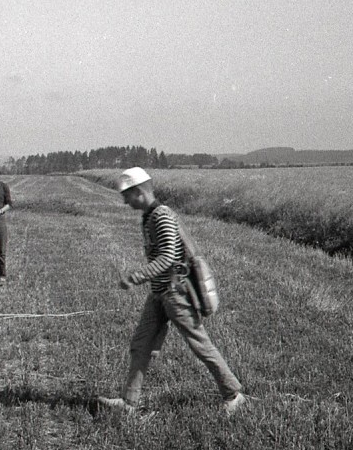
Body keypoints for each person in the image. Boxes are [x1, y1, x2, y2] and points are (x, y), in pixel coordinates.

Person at [98, 167, 246, 416]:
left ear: (139, 192)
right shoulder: (149, 216)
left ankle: (233, 394)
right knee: (140, 345)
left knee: (200, 344)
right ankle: (129, 402)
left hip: (175, 293)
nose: (124, 201)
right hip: (159, 294)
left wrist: (137, 276)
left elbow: (168, 257)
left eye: (127, 195)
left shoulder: (161, 216)